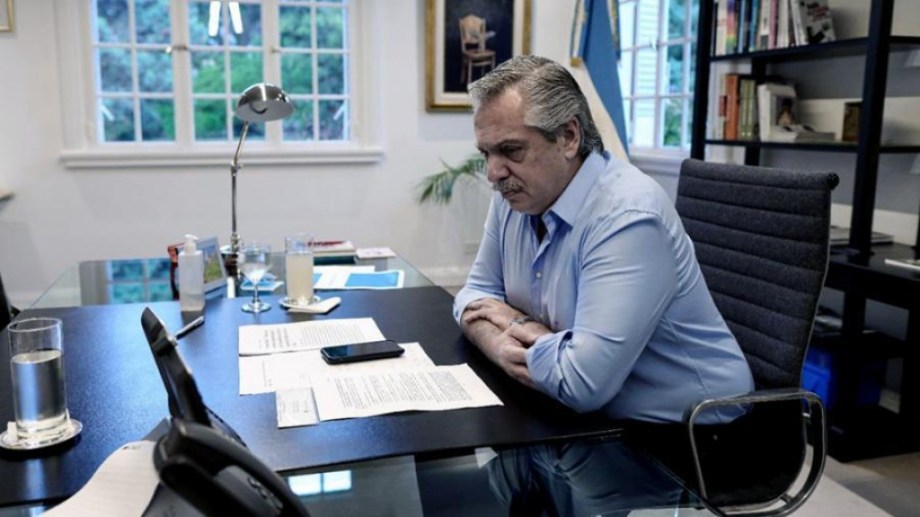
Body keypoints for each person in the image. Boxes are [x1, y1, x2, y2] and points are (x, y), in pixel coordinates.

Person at [453, 55, 754, 425]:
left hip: (692, 432)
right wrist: (499, 345)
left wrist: (514, 323)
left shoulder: (627, 216)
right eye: (486, 153)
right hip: (575, 413)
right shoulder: (514, 197)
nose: (493, 173)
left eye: (511, 150)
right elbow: (472, 296)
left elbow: (581, 384)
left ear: (568, 137)